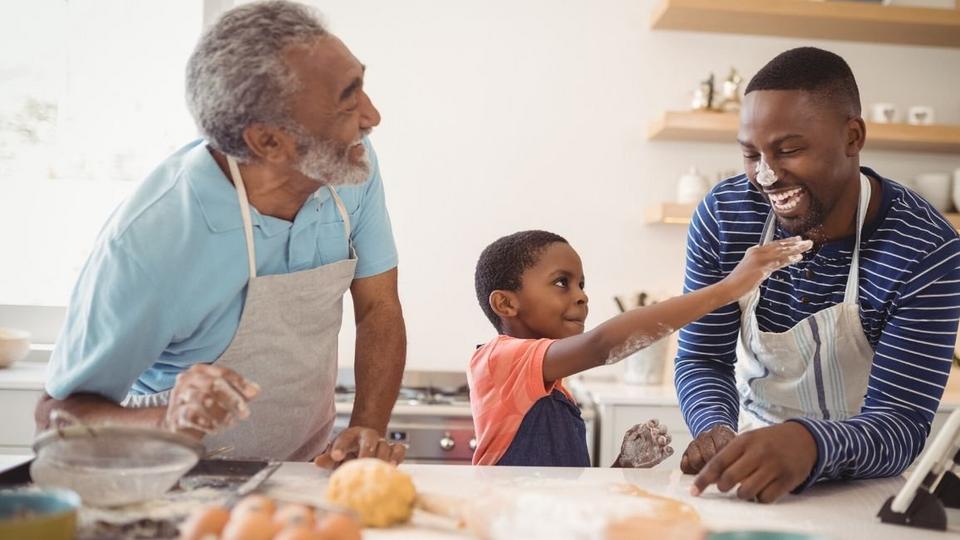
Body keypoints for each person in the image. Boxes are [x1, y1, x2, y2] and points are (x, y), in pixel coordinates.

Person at [35, 0, 407, 466]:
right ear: (269, 141)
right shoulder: (150, 243)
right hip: (172, 486)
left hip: (296, 475)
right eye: (348, 101)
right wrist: (169, 418)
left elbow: (379, 308)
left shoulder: (351, 166)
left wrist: (366, 428)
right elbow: (55, 414)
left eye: (361, 86)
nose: (372, 116)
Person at [676, 47, 960, 503]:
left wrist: (809, 443)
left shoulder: (925, 250)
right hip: (746, 468)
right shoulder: (726, 217)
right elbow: (702, 358)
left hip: (864, 485)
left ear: (852, 136)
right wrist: (715, 430)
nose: (765, 176)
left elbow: (901, 422)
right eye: (751, 155)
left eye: (788, 150)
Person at [469, 230, 810, 466]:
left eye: (582, 284)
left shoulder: (554, 387)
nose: (581, 295)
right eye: (562, 282)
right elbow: (602, 345)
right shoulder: (498, 359)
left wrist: (623, 466)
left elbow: (569, 490)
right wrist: (729, 288)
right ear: (505, 304)